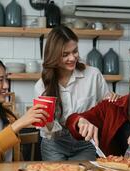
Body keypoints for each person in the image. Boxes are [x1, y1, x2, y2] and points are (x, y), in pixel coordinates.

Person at [35, 25, 119, 161]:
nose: (73, 58)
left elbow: (105, 109)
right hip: (55, 144)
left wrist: (113, 100)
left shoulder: (93, 75)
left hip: (86, 143)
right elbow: (48, 131)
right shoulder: (42, 86)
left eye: (75, 51)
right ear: (53, 56)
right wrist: (47, 124)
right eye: (65, 54)